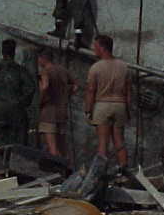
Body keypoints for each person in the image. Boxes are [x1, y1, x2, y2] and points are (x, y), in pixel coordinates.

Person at [84, 35, 131, 171]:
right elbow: (128, 92)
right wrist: (128, 111)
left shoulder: (96, 68)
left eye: (95, 46)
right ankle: (123, 171)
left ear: (102, 47)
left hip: (102, 106)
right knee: (119, 141)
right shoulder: (124, 67)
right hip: (120, 105)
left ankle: (100, 173)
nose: (94, 49)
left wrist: (88, 109)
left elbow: (91, 90)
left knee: (103, 143)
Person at [37, 50, 78, 159]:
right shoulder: (63, 70)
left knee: (52, 148)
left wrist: (39, 101)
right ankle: (66, 172)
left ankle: (57, 172)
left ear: (42, 58)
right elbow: (75, 86)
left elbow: (45, 86)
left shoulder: (44, 71)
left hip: (48, 112)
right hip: (62, 112)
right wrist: (66, 96)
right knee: (62, 147)